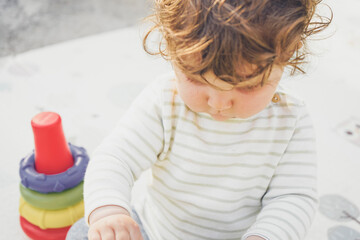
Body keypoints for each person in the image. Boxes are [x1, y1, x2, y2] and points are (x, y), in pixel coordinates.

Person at [83, 0, 332, 239]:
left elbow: (293, 198)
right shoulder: (164, 101)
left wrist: (264, 236)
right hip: (153, 231)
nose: (218, 104)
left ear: (288, 54)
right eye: (197, 79)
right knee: (81, 234)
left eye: (247, 86)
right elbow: (117, 158)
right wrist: (109, 212)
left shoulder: (290, 120)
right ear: (172, 47)